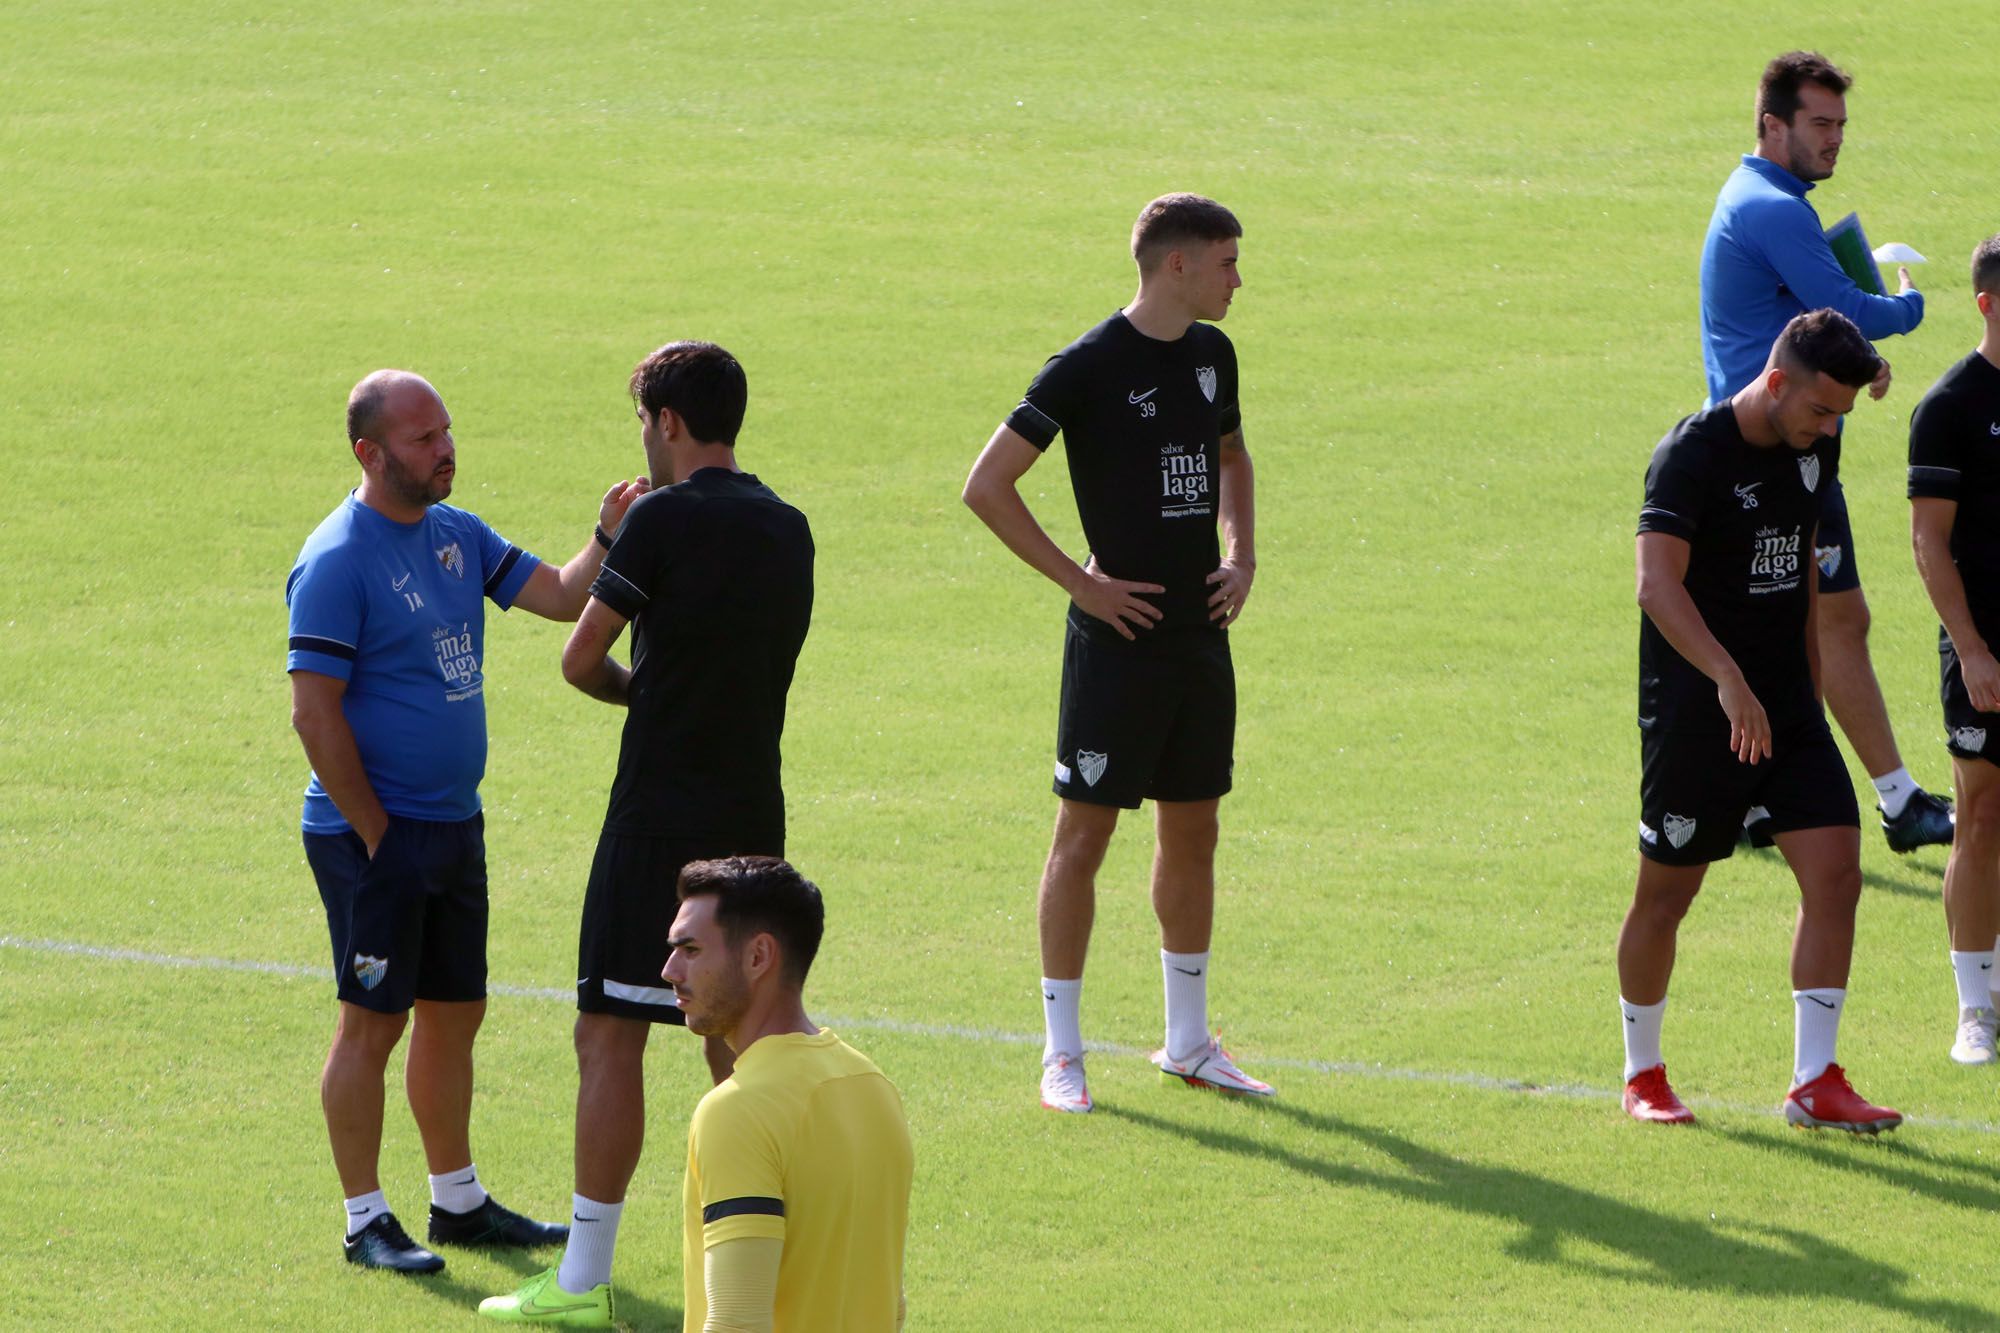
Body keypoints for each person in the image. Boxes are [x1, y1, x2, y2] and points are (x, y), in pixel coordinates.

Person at [480, 342, 814, 1324]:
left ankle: (581, 1282)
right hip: (757, 811)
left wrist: (645, 696)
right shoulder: (788, 527)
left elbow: (581, 657)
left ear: (667, 422)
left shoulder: (662, 517)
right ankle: (763, 1264)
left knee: (610, 1030)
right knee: (741, 1040)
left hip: (660, 818)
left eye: (642, 422)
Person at [288, 369, 646, 1272]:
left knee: (456, 1011)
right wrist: (377, 835)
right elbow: (314, 714)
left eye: (446, 430)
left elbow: (565, 595)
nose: (444, 449)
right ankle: (365, 1218)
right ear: (369, 453)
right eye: (421, 438)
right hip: (373, 834)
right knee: (372, 1021)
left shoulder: (456, 534)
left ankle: (457, 1201)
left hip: (452, 824)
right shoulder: (337, 559)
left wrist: (608, 533)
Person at [962, 193, 1268, 1114]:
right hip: (1116, 644)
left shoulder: (1214, 356)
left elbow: (1234, 458)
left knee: (1195, 828)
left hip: (1196, 638)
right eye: (1226, 262)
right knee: (1083, 836)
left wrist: (1241, 554)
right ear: (1176, 264)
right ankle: (1062, 1052)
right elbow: (987, 485)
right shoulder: (1087, 366)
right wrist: (1081, 584)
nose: (1237, 279)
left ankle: (1186, 1041)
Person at [1619, 309, 1902, 1133]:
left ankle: (1813, 1082)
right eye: (1820, 410)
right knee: (1667, 894)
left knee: (1837, 874)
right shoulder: (1691, 456)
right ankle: (1643, 1073)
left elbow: (1805, 563)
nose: (1828, 429)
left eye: (1840, 416)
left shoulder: (1817, 440)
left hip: (1784, 704)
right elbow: (1656, 586)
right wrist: (1728, 680)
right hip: (1698, 708)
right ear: (1775, 383)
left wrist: (1805, 685)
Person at [1699, 49, 1952, 853]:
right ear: (1772, 125)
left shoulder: (1764, 198)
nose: (1835, 139)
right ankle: (1889, 802)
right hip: (1779, 456)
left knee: (1810, 623)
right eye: (1819, 124)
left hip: (1780, 443)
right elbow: (1844, 304)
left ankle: (1763, 800)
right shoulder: (1773, 209)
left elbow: (1805, 320)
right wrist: (1905, 311)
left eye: (1840, 124)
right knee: (1826, 624)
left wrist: (1856, 361)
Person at [1908, 234, 2000, 1064]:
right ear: (1987, 303)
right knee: (1980, 814)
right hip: (1987, 645)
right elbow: (1929, 543)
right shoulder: (1950, 407)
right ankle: (1977, 1006)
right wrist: (1970, 647)